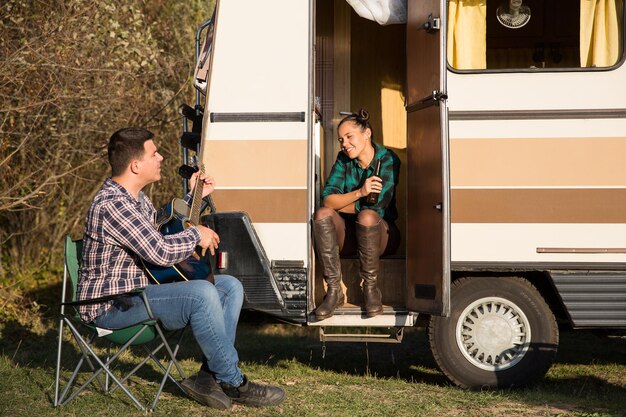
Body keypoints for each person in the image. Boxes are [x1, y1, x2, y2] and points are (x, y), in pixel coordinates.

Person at [77, 127, 285, 410]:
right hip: (112, 305)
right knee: (201, 293)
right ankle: (235, 382)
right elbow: (159, 251)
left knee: (229, 287)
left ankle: (208, 377)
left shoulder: (135, 199)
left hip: (139, 293)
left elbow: (160, 227)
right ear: (135, 165)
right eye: (154, 153)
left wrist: (193, 197)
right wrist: (196, 235)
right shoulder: (113, 204)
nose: (161, 157)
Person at [314, 109, 400, 320]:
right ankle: (334, 290)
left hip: (383, 235)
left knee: (367, 216)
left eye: (349, 137)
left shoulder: (388, 158)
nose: (344, 144)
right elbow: (328, 199)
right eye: (341, 139)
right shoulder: (343, 160)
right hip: (351, 235)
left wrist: (342, 203)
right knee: (322, 214)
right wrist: (360, 192)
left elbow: (377, 206)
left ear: (367, 133)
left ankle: (370, 288)